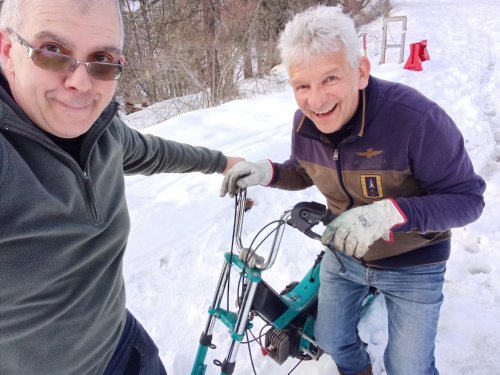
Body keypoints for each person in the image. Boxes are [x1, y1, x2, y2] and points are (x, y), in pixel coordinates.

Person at [220, 5, 485, 375]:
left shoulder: (417, 121)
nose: (316, 100)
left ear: (360, 72)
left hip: (414, 263)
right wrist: (268, 172)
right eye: (302, 86)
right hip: (343, 255)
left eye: (330, 79)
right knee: (330, 339)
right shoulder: (306, 121)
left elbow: (468, 200)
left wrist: (389, 214)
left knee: (408, 367)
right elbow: (305, 169)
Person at [0, 1, 241, 374]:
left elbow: (157, 153)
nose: (80, 81)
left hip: (125, 346)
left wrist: (223, 162)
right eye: (52, 51)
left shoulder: (104, 133)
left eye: (102, 59)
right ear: (7, 51)